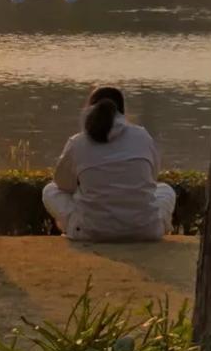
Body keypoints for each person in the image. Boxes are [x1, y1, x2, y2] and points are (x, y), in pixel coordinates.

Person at [43, 86, 176, 242]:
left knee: (50, 190)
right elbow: (152, 180)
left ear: (89, 111)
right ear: (122, 111)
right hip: (146, 230)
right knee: (165, 190)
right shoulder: (143, 136)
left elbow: (63, 185)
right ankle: (158, 226)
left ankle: (72, 227)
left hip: (90, 231)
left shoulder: (78, 142)